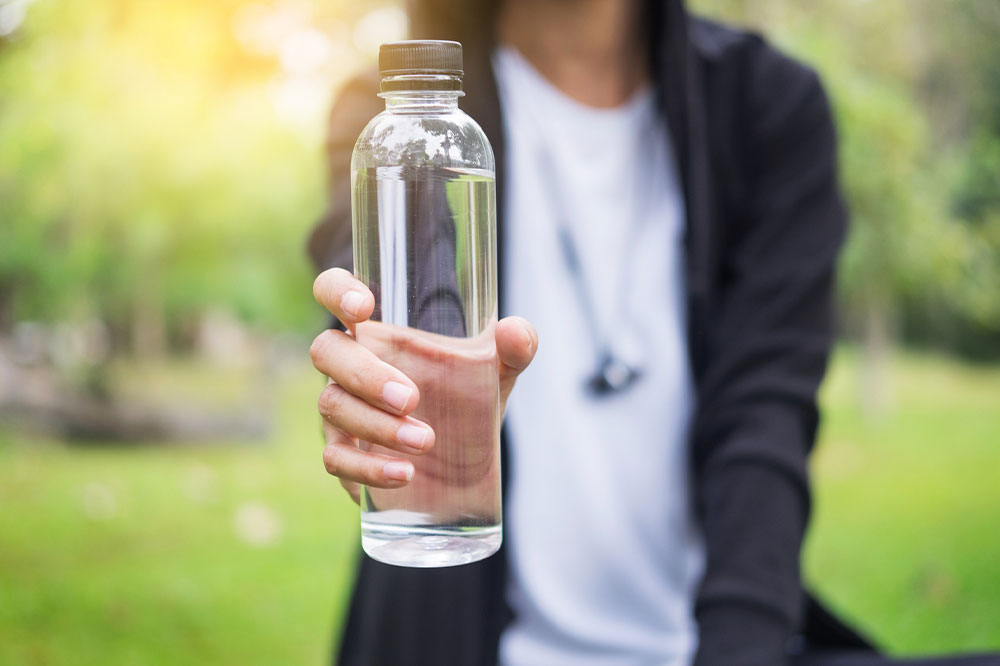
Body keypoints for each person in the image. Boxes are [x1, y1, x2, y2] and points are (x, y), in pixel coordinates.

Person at [307, 1, 1000, 664]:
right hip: (456, 640)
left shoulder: (769, 107)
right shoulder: (398, 119)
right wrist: (376, 385)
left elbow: (765, 422)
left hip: (722, 641)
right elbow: (381, 287)